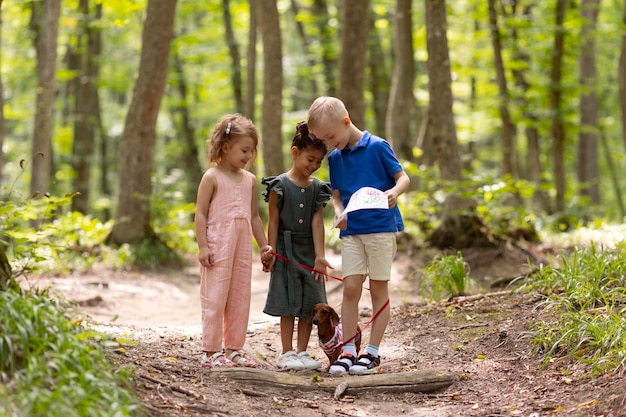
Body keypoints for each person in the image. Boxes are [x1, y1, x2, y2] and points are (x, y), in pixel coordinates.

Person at [306, 96, 411, 375]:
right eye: (323, 139)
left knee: (378, 289)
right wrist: (338, 212)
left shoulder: (377, 146)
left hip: (380, 228)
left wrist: (394, 192)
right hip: (352, 232)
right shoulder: (335, 158)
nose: (329, 142)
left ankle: (372, 353)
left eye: (331, 136)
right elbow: (337, 195)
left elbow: (403, 178)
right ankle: (348, 350)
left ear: (346, 121)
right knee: (351, 288)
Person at [194, 114, 273, 369]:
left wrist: (263, 245)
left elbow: (253, 216)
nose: (248, 156)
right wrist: (203, 245)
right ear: (226, 147)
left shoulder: (249, 180)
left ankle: (234, 348)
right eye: (244, 150)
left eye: (251, 151)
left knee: (239, 297)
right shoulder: (211, 177)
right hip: (218, 248)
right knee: (215, 297)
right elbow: (201, 214)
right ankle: (210, 350)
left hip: (241, 251)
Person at [261, 121, 333, 371]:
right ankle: (286, 352)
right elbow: (273, 220)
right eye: (309, 159)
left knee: (309, 302)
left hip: (309, 252)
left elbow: (317, 223)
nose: (313, 166)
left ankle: (303, 352)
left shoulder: (317, 188)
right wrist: (271, 251)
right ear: (295, 152)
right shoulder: (278, 185)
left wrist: (320, 256)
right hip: (285, 248)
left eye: (318, 162)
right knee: (288, 300)